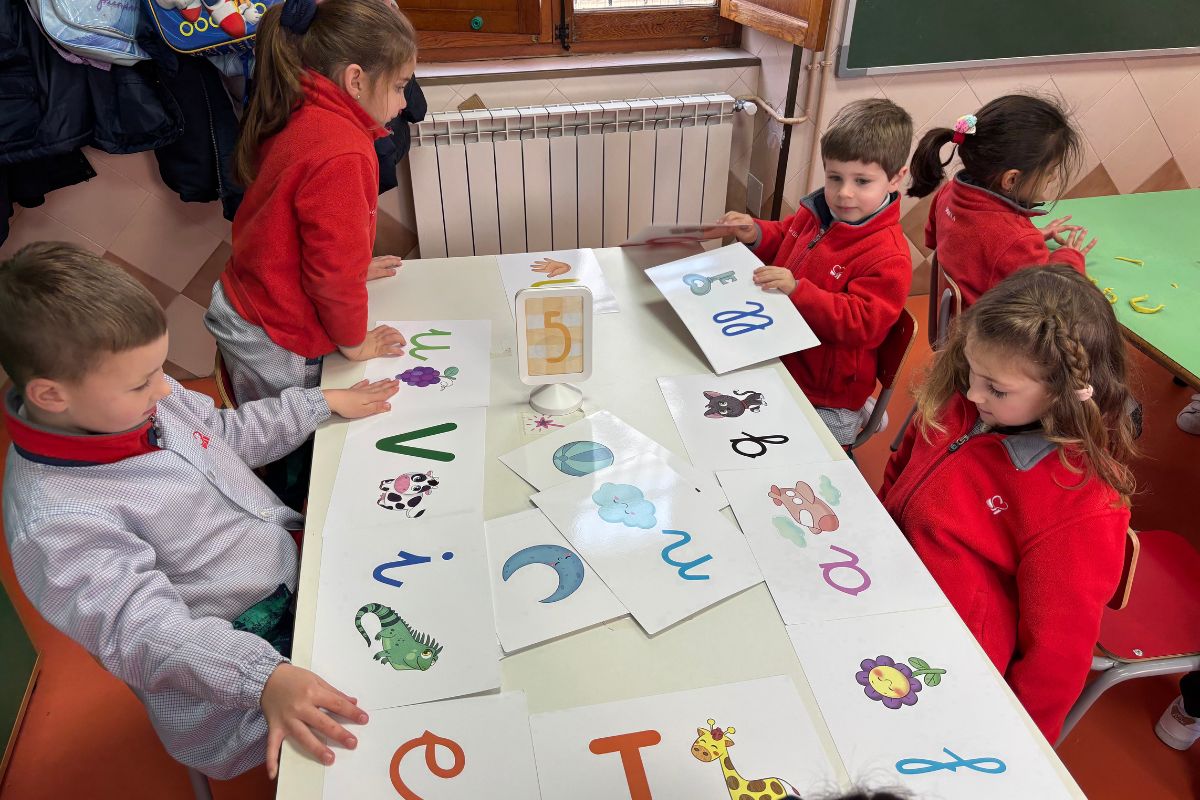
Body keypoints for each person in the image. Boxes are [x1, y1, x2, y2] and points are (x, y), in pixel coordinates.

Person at [1, 242, 399, 779]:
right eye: (142, 381)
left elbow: (225, 435)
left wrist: (318, 404)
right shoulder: (54, 520)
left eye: (160, 369)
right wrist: (262, 679)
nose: (166, 388)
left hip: (290, 570)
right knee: (387, 715)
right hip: (232, 673)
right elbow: (141, 630)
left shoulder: (138, 402)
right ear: (51, 396)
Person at [880, 265, 1137, 742]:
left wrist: (1016, 743)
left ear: (1064, 395)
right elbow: (903, 463)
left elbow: (1056, 654)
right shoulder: (964, 396)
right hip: (883, 590)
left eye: (996, 389)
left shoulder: (1078, 503)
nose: (973, 393)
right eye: (972, 371)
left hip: (947, 657)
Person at [204, 0, 417, 405]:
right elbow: (331, 275)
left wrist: (353, 267)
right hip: (275, 334)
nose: (403, 103)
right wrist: (355, 344)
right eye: (399, 86)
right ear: (355, 80)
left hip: (251, 307)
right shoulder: (342, 151)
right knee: (299, 447)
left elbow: (307, 236)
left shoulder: (302, 108)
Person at [711, 98, 914, 446]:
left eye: (862, 181)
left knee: (808, 454)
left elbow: (864, 324)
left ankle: (859, 413)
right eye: (834, 177)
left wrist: (798, 291)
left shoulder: (888, 256)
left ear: (896, 179)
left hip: (828, 393)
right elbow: (787, 236)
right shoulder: (817, 211)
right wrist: (757, 232)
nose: (843, 193)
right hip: (784, 356)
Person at [908, 94, 1097, 307]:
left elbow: (936, 240)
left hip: (947, 323)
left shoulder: (950, 191)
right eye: (1050, 170)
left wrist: (1028, 239)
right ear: (1012, 179)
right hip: (985, 336)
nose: (1053, 177)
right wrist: (1069, 259)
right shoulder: (1016, 242)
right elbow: (1053, 298)